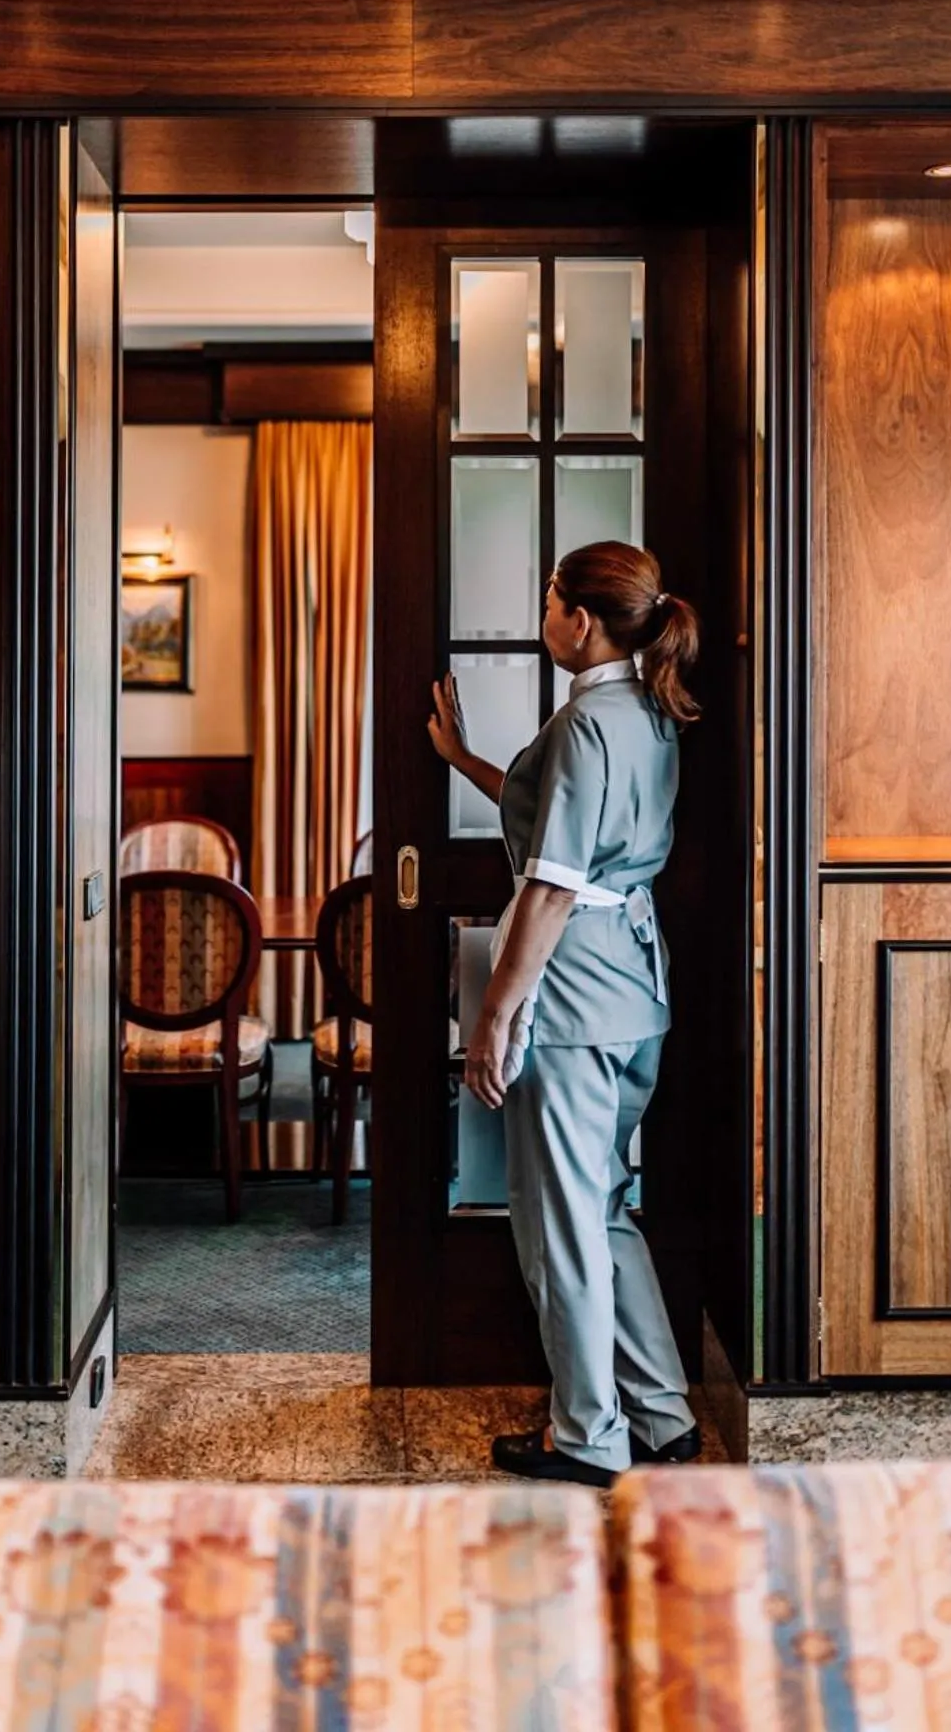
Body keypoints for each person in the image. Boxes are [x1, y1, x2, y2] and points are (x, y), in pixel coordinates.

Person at [428, 540, 701, 1486]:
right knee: (607, 1207)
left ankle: (588, 1437)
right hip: (635, 993)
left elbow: (549, 885)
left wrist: (495, 1019)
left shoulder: (588, 724)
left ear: (576, 620)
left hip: (574, 999)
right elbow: (561, 825)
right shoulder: (648, 709)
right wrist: (461, 758)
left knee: (560, 1226)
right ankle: (662, 1413)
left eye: (548, 597)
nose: (543, 612)